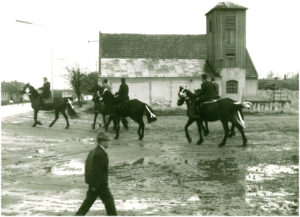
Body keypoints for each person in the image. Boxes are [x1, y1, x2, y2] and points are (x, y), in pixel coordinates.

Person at [76, 130, 117, 216]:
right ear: (103, 141)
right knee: (110, 204)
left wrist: (91, 184)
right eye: (108, 141)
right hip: (100, 185)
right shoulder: (99, 153)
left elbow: (88, 168)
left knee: (87, 204)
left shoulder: (94, 151)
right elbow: (96, 171)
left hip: (94, 184)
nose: (109, 143)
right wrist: (95, 185)